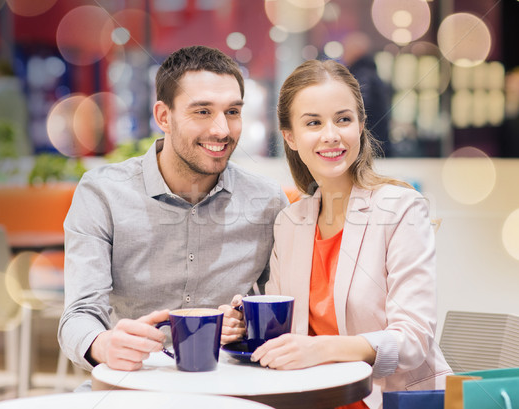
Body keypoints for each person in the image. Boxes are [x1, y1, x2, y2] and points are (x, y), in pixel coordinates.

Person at [58, 45, 288, 374]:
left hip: (230, 386)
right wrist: (103, 344)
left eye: (233, 112)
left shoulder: (268, 200)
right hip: (133, 383)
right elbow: (78, 315)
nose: (222, 130)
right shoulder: (102, 193)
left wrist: (244, 327)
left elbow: (281, 314)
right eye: (203, 111)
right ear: (164, 117)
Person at [249, 60, 452, 409]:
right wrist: (247, 320)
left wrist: (320, 348)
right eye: (313, 122)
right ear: (290, 136)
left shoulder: (401, 208)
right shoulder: (290, 222)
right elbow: (285, 332)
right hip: (312, 399)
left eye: (343, 119)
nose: (331, 134)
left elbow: (413, 340)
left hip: (391, 400)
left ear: (360, 125)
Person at [342, 32, 392, 157]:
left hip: (370, 146)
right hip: (377, 143)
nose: (344, 55)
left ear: (356, 51)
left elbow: (360, 107)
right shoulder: (371, 73)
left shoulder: (361, 76)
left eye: (346, 50)